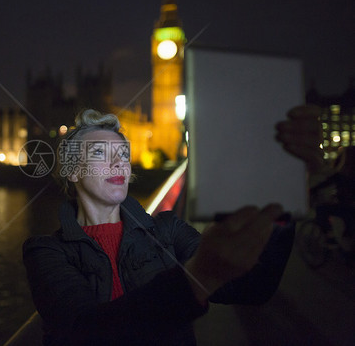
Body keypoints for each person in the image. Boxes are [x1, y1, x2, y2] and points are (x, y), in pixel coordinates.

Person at [23, 106, 321, 345]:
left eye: (123, 154)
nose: (118, 163)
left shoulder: (167, 230)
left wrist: (289, 180)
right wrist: (197, 276)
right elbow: (84, 331)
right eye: (100, 153)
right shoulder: (46, 252)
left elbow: (255, 288)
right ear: (73, 171)